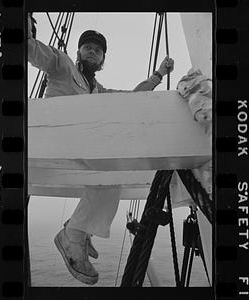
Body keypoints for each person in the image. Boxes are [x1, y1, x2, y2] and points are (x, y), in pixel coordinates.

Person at [28, 14, 174, 285]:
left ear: (102, 59)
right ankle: (73, 235)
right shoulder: (61, 63)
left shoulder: (95, 89)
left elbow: (132, 96)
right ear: (79, 52)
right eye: (88, 47)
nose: (92, 52)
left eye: (98, 50)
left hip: (81, 145)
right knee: (112, 170)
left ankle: (80, 231)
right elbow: (33, 51)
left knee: (113, 176)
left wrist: (158, 75)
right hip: (55, 140)